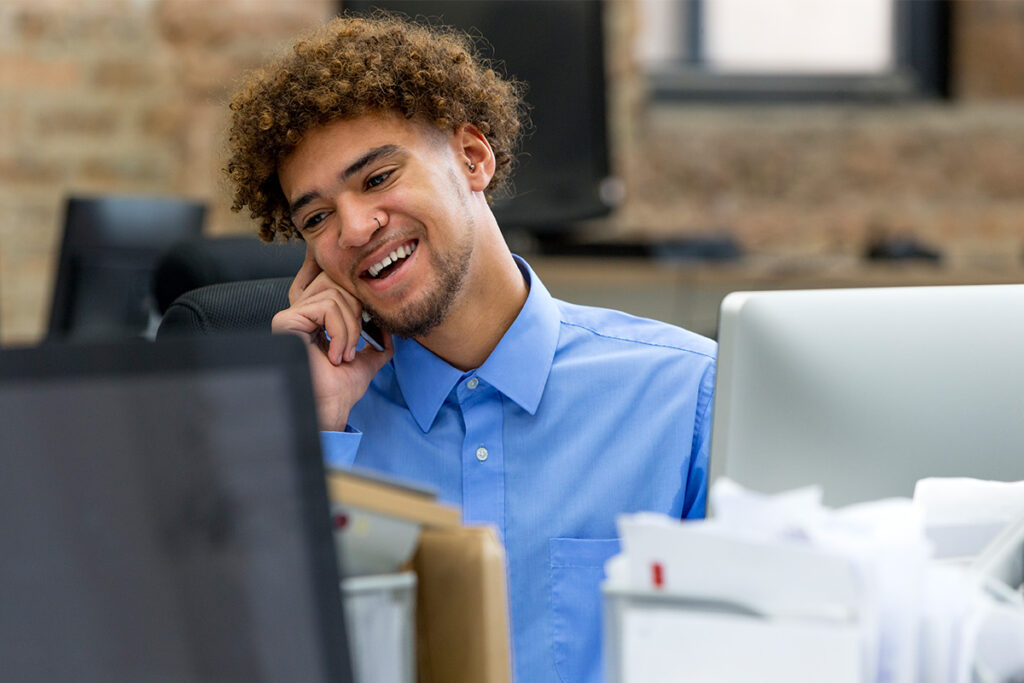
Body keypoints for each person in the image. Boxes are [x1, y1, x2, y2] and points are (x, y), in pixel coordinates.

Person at [225, 14, 716, 683]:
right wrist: (315, 427)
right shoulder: (318, 427)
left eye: (376, 178)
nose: (356, 226)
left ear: (473, 157)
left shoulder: (684, 395)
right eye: (317, 217)